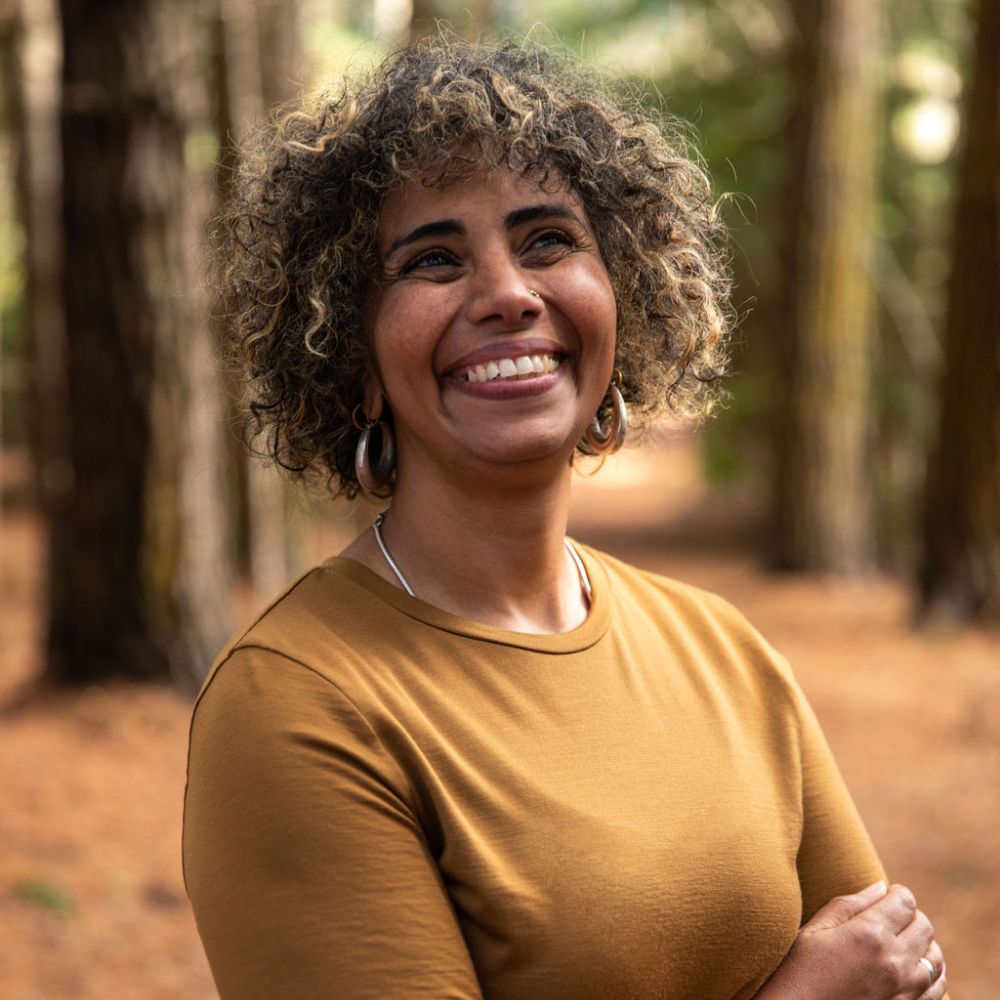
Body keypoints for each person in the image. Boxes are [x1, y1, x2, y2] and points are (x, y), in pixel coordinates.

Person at [183, 37, 948, 1000]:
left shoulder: (722, 649)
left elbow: (895, 970)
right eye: (432, 260)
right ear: (353, 360)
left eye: (549, 240)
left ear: (620, 298)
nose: (507, 293)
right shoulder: (300, 704)